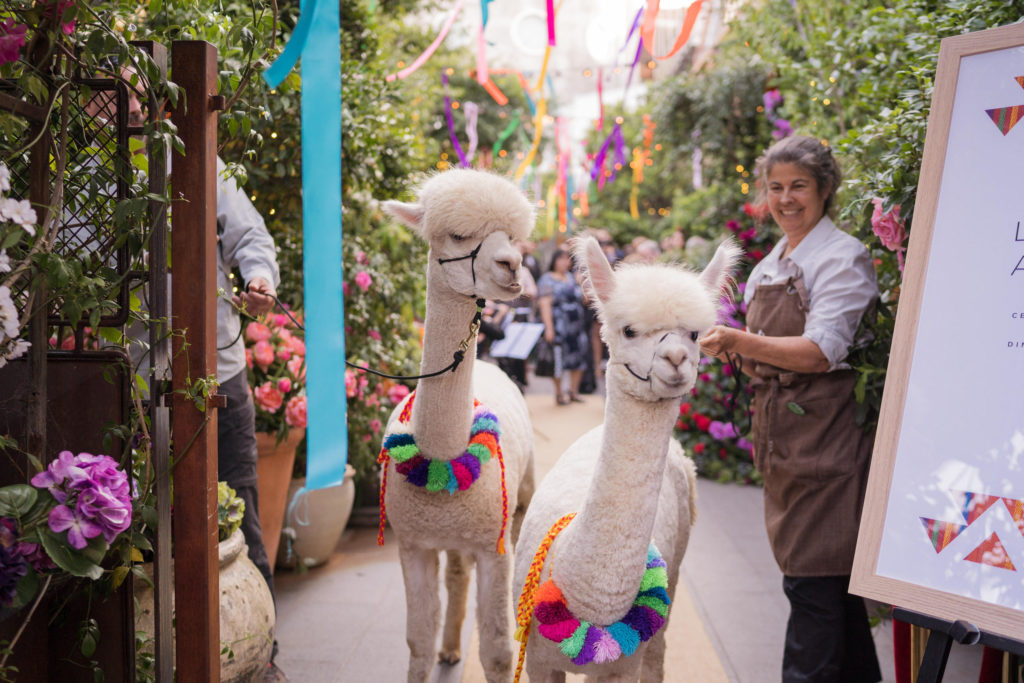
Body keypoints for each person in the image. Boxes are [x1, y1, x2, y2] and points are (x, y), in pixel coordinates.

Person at [95, 65, 287, 681]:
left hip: (216, 373)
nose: (125, 110)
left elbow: (250, 236)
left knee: (240, 508)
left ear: (158, 106)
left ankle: (262, 651)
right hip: (129, 374)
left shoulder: (200, 164)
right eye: (113, 97)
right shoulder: (95, 178)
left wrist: (259, 279)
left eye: (134, 96)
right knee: (132, 516)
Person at [699, 135, 881, 683]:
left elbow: (822, 350)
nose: (786, 198)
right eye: (775, 187)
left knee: (811, 586)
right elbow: (763, 359)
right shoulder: (769, 266)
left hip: (829, 443)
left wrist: (742, 341)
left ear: (825, 188)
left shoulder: (842, 256)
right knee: (831, 590)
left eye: (799, 185)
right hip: (784, 443)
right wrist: (739, 348)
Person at [536, 247, 588, 405]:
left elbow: (584, 300)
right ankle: (559, 393)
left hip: (576, 327)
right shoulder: (547, 279)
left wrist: (583, 284)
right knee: (558, 360)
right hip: (559, 325)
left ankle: (574, 391)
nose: (565, 262)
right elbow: (544, 304)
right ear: (555, 260)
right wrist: (549, 328)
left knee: (579, 359)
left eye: (567, 259)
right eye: (562, 259)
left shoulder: (572, 278)